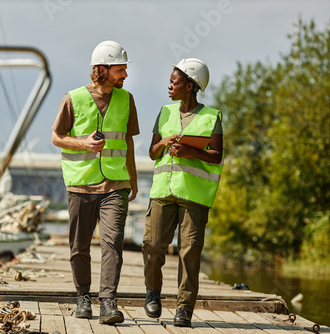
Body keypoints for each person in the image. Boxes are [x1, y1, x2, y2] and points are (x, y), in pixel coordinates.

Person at [51, 40, 139, 325]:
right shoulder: (73, 98)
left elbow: (127, 141)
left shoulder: (127, 100)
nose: (125, 75)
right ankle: (82, 296)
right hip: (81, 183)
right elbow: (56, 137)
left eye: (125, 70)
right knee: (79, 246)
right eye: (120, 69)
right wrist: (83, 144)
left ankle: (108, 302)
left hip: (116, 183)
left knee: (112, 242)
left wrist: (132, 178)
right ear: (102, 69)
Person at [142, 58, 223, 327]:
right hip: (162, 193)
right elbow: (152, 153)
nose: (169, 86)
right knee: (152, 246)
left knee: (189, 253)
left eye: (174, 82)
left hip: (194, 197)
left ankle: (183, 309)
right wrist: (163, 143)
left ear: (190, 86)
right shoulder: (165, 113)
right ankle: (152, 293)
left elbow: (216, 155)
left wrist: (190, 151)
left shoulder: (211, 116)